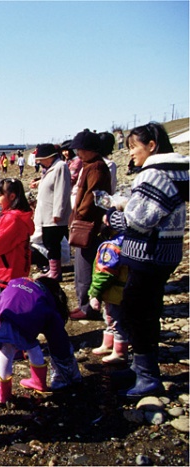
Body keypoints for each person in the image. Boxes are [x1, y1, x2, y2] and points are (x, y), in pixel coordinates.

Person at [104, 122, 189, 398]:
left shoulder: (153, 174)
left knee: (137, 313)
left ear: (152, 146)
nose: (130, 154)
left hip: (147, 253)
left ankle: (147, 375)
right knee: (148, 310)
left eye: (133, 147)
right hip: (167, 252)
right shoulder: (178, 172)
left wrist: (112, 215)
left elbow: (139, 221)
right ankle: (140, 367)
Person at [0, 277, 82, 404]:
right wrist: (63, 355)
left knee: (13, 347)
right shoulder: (46, 302)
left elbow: (0, 304)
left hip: (7, 310)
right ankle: (28, 386)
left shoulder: (18, 284)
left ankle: (13, 390)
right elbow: (57, 337)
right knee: (21, 346)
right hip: (22, 314)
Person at [68, 130, 112, 320]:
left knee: (85, 264)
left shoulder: (96, 168)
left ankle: (87, 307)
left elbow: (92, 197)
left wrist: (78, 217)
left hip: (88, 225)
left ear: (90, 149)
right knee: (82, 263)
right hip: (86, 223)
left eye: (80, 149)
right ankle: (84, 304)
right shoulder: (90, 165)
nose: (77, 153)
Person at [30, 144, 72, 281]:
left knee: (53, 244)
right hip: (45, 213)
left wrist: (58, 212)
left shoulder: (60, 167)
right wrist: (38, 183)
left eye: (41, 159)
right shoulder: (49, 169)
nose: (39, 162)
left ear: (48, 157)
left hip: (53, 215)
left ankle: (55, 272)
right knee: (48, 242)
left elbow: (62, 191)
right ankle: (53, 269)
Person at [88, 232, 129, 364]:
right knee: (109, 316)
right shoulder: (130, 240)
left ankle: (120, 352)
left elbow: (105, 273)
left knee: (116, 320)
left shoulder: (112, 246)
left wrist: (94, 292)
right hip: (123, 290)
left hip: (114, 291)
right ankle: (108, 344)